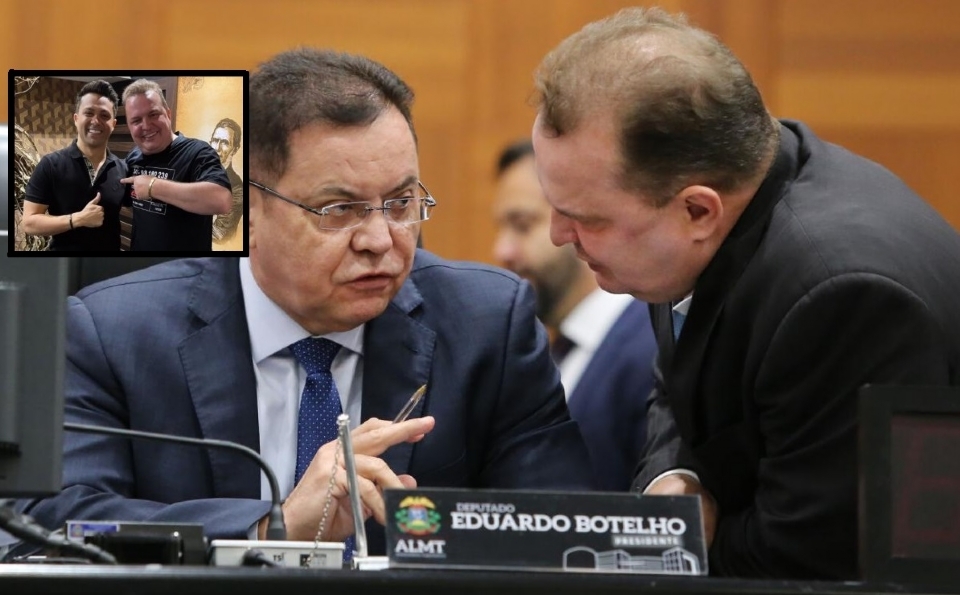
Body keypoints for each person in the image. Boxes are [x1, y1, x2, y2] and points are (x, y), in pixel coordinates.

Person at [11, 48, 593, 559]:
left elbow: (561, 531)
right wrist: (270, 527)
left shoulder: (488, 324)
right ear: (248, 210)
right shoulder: (112, 335)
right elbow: (49, 525)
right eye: (338, 210)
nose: (380, 240)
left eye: (400, 203)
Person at [530, 7, 960, 580]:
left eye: (586, 218)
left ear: (697, 210)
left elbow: (812, 559)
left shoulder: (844, 299)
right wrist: (674, 482)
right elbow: (681, 382)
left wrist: (668, 542)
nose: (559, 235)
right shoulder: (727, 194)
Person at [493, 139, 656, 491]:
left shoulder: (650, 351)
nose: (502, 250)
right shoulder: (554, 352)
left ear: (579, 222)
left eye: (522, 225)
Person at [120, 79, 232, 251]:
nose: (146, 126)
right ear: (129, 126)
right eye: (136, 120)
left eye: (153, 114)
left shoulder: (198, 152)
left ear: (168, 114)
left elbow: (221, 200)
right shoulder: (134, 157)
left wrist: (153, 186)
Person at [20, 80, 125, 251]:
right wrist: (78, 219)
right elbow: (29, 223)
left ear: (113, 124)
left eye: (104, 115)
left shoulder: (122, 169)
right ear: (76, 119)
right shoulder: (50, 165)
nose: (96, 121)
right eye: (89, 113)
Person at [209, 117, 244, 246]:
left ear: (235, 149)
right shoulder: (198, 173)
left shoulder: (237, 189)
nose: (217, 148)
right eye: (215, 140)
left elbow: (219, 235)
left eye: (224, 142)